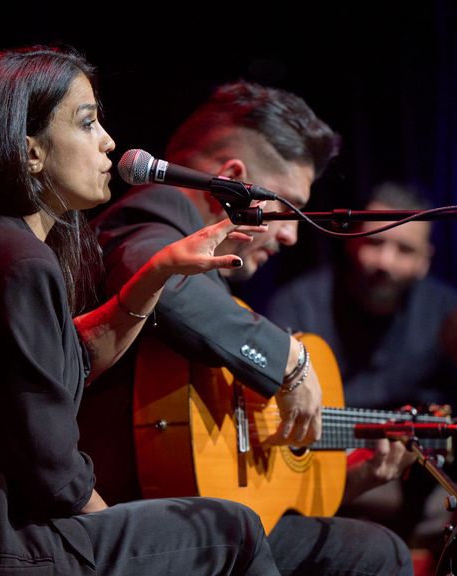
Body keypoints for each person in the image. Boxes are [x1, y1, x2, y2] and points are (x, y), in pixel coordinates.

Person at [0, 45, 283, 576]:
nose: (110, 142)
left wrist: (159, 273)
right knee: (231, 530)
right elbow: (52, 469)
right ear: (30, 152)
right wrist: (112, 533)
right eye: (87, 123)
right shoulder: (18, 262)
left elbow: (64, 362)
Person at [80, 81, 413, 575]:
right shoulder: (148, 217)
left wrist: (342, 478)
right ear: (232, 180)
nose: (292, 233)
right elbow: (162, 283)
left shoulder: (207, 267)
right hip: (121, 525)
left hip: (174, 508)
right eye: (287, 208)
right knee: (376, 553)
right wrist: (290, 361)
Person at [266, 182, 457, 543]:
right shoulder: (298, 304)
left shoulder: (444, 310)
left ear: (425, 260)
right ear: (351, 241)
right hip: (314, 476)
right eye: (375, 242)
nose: (385, 262)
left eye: (404, 249)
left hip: (417, 483)